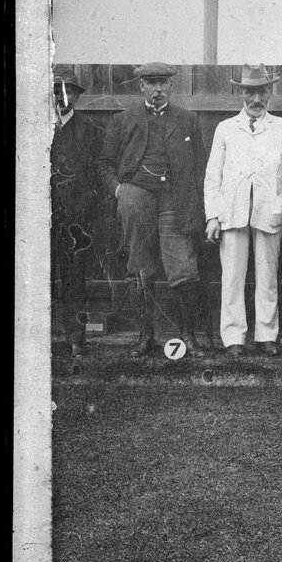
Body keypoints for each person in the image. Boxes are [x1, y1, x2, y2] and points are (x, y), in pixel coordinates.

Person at [97, 61, 211, 356]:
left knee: (182, 267)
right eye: (151, 83)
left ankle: (187, 335)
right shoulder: (123, 120)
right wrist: (120, 191)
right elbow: (104, 164)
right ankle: (145, 336)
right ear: (141, 86)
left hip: (175, 201)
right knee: (140, 268)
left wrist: (198, 204)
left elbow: (200, 167)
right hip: (137, 199)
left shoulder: (188, 120)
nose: (158, 89)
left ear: (171, 85)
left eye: (163, 83)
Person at [204, 64, 282, 357]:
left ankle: (267, 335)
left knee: (267, 275)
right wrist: (212, 216)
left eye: (262, 92)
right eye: (250, 92)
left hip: (269, 211)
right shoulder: (226, 128)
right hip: (232, 211)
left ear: (270, 92)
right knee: (232, 277)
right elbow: (213, 176)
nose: (256, 99)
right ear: (241, 93)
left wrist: (280, 206)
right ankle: (234, 337)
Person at [50, 66, 105, 356]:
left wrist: (86, 205)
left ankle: (75, 340)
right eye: (56, 90)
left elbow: (99, 172)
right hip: (42, 218)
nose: (62, 96)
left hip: (76, 220)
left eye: (68, 90)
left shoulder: (89, 130)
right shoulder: (35, 126)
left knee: (74, 280)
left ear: (77, 96)